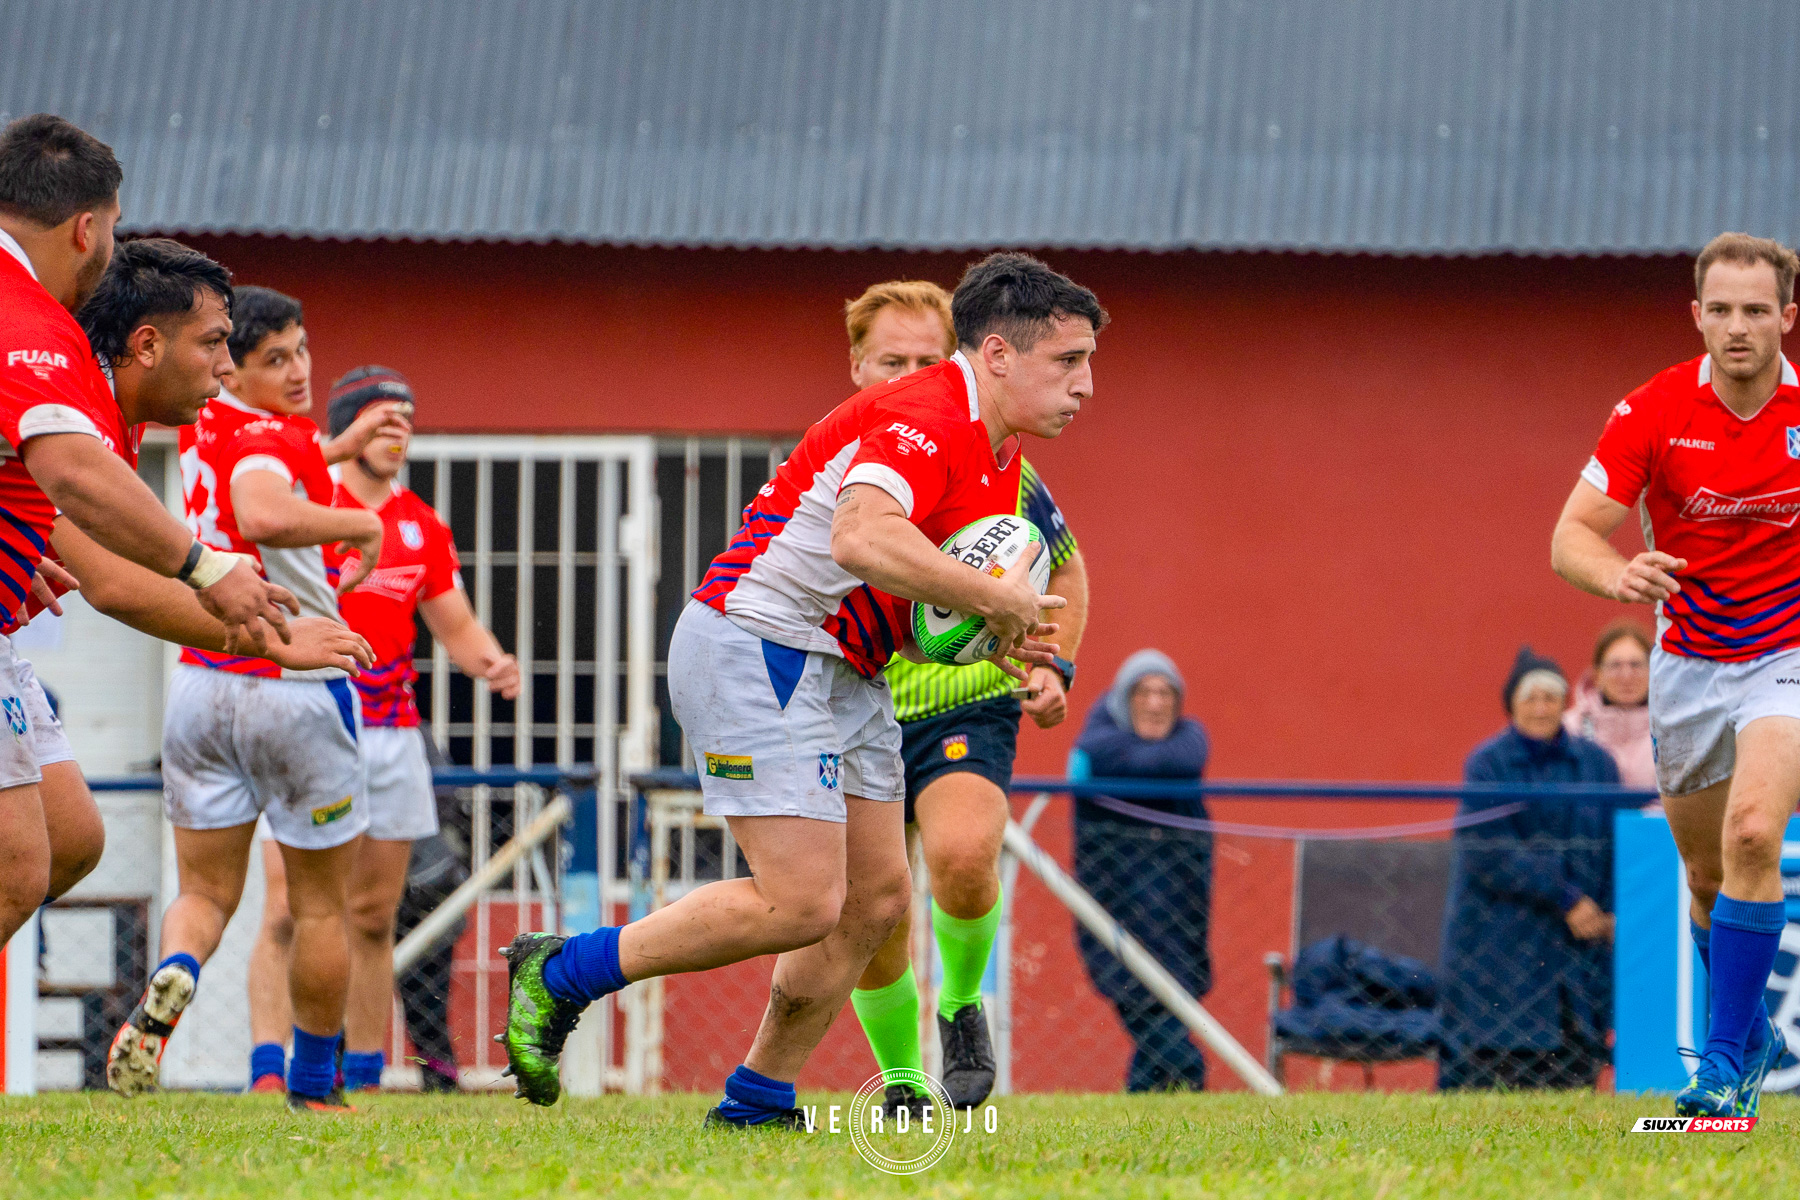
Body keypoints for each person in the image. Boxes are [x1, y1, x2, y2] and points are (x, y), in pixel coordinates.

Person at [498, 252, 1101, 1125]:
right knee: (799, 900)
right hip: (758, 644)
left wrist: (993, 635)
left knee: (875, 901)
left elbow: (921, 602)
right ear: (999, 354)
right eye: (1069, 361)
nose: (1086, 385)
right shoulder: (928, 412)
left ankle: (757, 1102)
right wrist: (987, 596)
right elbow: (861, 538)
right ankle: (563, 973)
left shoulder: (1000, 460)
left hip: (843, 668)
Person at [0, 115, 300, 953]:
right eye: (215, 344)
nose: (226, 370)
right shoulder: (36, 329)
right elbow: (102, 538)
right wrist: (217, 577)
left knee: (69, 841)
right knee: (16, 869)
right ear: (87, 227)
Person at [106, 285, 406, 1111]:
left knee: (205, 894)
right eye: (276, 357)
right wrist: (361, 529)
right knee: (319, 909)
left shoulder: (210, 421)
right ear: (231, 363)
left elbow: (277, 457)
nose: (301, 368)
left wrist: (335, 444)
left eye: (302, 349)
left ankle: (175, 972)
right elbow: (262, 507)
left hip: (202, 685)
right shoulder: (271, 439)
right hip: (292, 683)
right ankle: (314, 1088)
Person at [1551, 232, 1800, 1117]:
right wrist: (1616, 573)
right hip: (1690, 661)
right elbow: (1570, 535)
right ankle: (1748, 1030)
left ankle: (1725, 1071)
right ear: (1698, 317)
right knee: (1703, 873)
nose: (1739, 327)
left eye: (1757, 310)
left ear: (1786, 319)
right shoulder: (1652, 410)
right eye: (1722, 311)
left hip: (1787, 657)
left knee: (1754, 835)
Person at [839, 280, 1089, 1115]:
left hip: (962, 702)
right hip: (854, 699)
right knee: (868, 909)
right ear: (856, 366)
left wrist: (1057, 667)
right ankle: (903, 1081)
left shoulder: (1002, 462)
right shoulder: (843, 466)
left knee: (963, 857)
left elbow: (1070, 567)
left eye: (924, 358)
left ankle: (960, 1006)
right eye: (891, 361)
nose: (909, 373)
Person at [245, 365, 519, 1094]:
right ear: (348, 428)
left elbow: (456, 628)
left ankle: (363, 1076)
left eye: (407, 421)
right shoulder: (310, 504)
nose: (397, 435)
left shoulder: (421, 524)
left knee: (371, 917)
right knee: (285, 912)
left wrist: (494, 664)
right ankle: (272, 1072)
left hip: (393, 733)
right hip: (308, 715)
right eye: (382, 420)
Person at [1437, 647, 1622, 1091]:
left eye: (1551, 697)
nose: (1541, 708)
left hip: (1580, 951)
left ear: (1565, 705)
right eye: (1530, 697)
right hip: (1500, 946)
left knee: (1573, 1077)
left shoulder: (1596, 764)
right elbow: (1490, 851)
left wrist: (1612, 910)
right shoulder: (1488, 764)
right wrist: (1568, 897)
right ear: (1511, 704)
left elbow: (1617, 840)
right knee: (1490, 1080)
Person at [1067, 651, 1212, 1092]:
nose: (1155, 703)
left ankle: (1144, 1101)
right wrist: (1137, 761)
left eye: (1165, 692)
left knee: (1159, 1035)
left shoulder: (1189, 738)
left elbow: (1188, 755)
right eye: (1144, 692)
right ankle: (1193, 1084)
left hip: (1178, 922)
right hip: (1115, 919)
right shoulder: (1097, 741)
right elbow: (1098, 753)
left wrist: (1128, 761)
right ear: (1122, 700)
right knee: (1169, 1041)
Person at [1562, 621, 1655, 791]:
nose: (1626, 676)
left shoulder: (1672, 730)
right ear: (1597, 674)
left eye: (1636, 665)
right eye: (1615, 666)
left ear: (1653, 670)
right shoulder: (1569, 729)